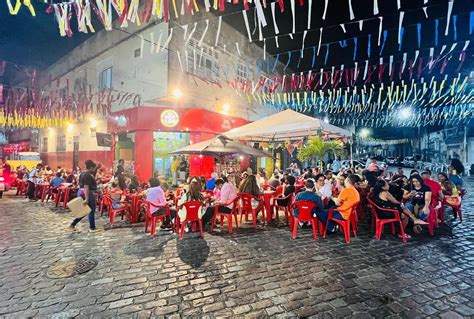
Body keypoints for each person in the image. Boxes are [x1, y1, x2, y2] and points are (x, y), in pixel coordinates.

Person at [69, 160, 102, 232]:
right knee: (91, 211)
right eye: (94, 168)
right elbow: (86, 186)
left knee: (84, 211)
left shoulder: (82, 173)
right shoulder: (87, 175)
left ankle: (73, 224)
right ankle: (92, 228)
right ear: (91, 168)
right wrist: (87, 199)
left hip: (80, 192)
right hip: (87, 194)